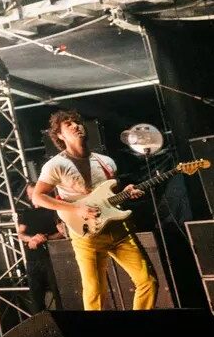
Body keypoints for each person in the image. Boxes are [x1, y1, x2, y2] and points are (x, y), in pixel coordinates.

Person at [29, 109, 155, 310]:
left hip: (118, 231)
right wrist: (75, 208)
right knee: (95, 293)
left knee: (147, 281)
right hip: (87, 235)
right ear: (59, 135)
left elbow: (108, 196)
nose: (76, 126)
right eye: (68, 124)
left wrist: (126, 192)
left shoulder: (106, 162)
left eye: (77, 122)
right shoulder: (55, 165)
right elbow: (38, 197)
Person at [17, 186, 65, 311]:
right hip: (33, 260)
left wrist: (45, 238)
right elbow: (20, 234)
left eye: (35, 193)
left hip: (52, 258)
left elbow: (62, 232)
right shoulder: (26, 213)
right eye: (30, 194)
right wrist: (32, 239)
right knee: (36, 297)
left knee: (59, 294)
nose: (32, 196)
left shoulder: (53, 210)